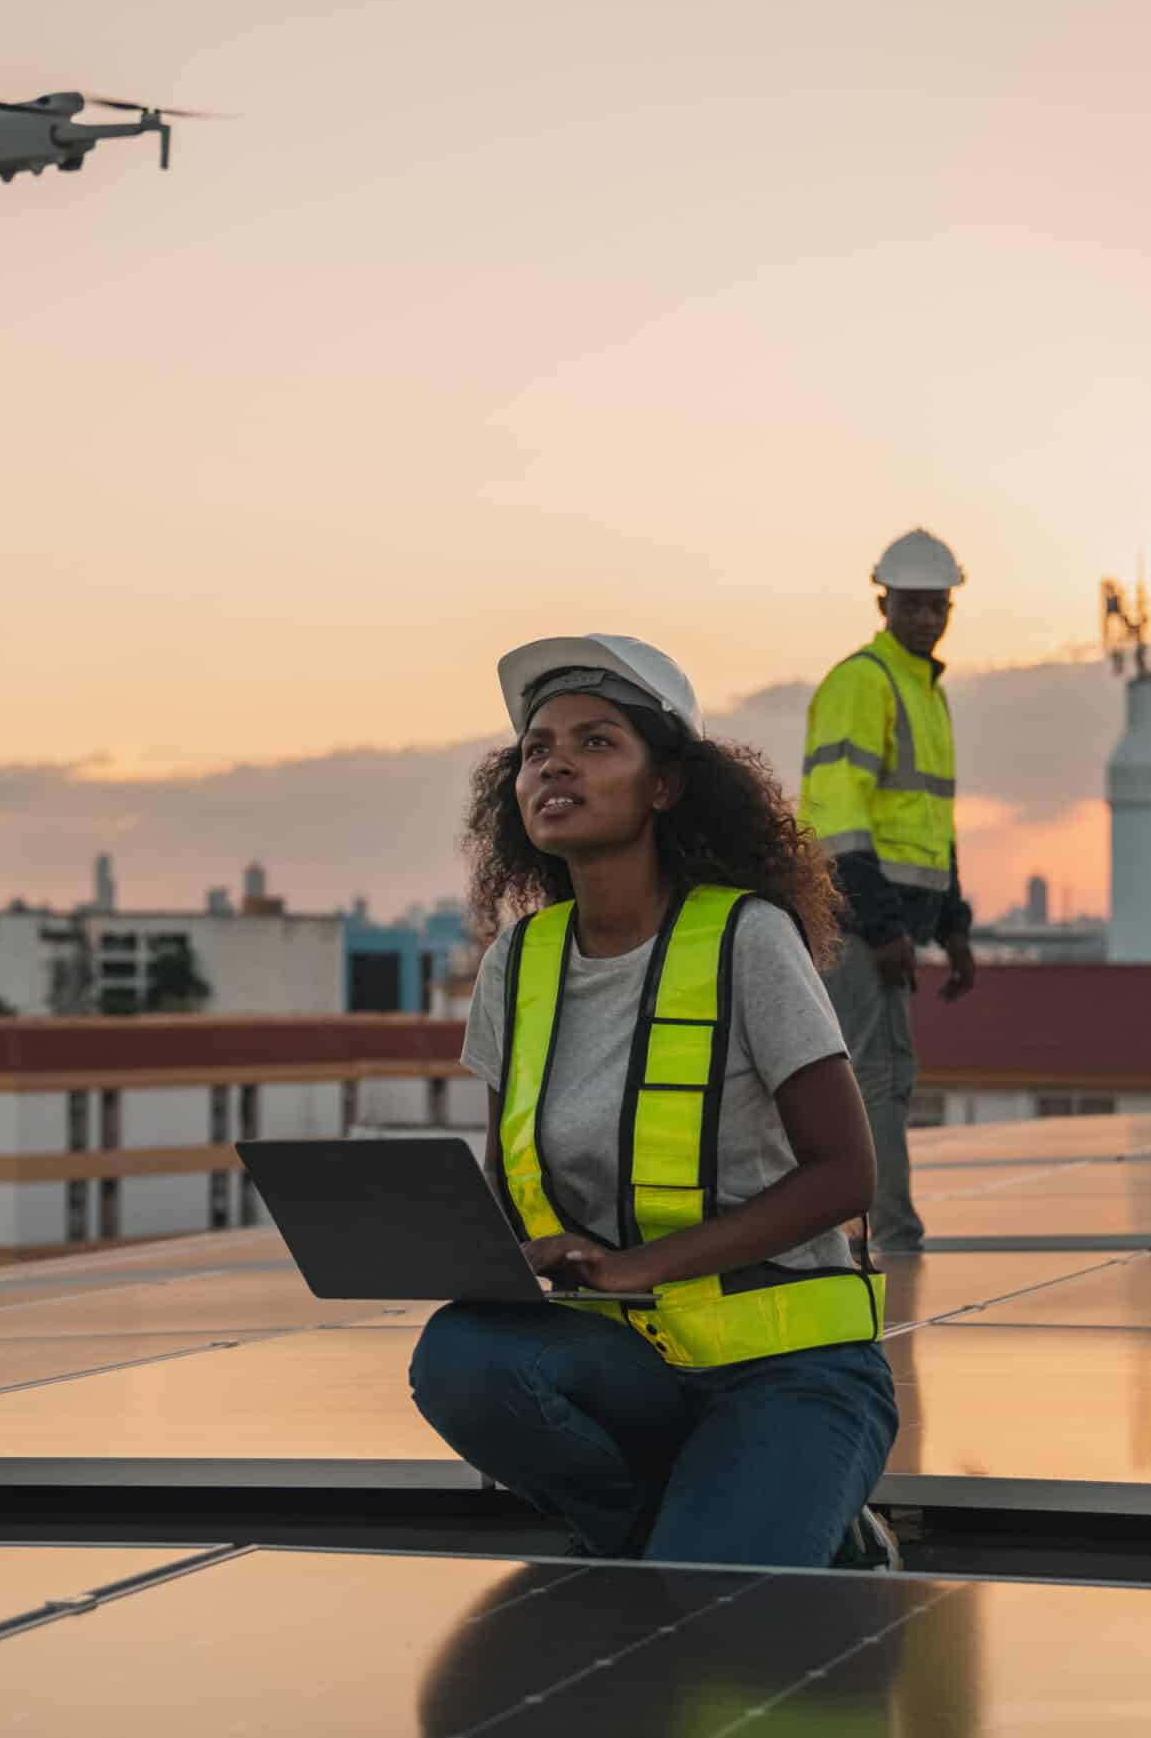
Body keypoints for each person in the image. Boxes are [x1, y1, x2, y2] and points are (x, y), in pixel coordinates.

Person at [408, 633, 900, 1569]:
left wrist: (644, 1264)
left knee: (704, 1622)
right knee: (462, 1358)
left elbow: (847, 1172)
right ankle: (684, 1522)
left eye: (597, 742)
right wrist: (509, 1256)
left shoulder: (746, 939)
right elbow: (502, 1180)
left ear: (666, 785)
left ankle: (782, 1523)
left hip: (786, 1370)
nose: (554, 760)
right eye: (536, 747)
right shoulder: (518, 963)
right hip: (626, 1365)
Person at [799, 529, 977, 1254]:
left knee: (890, 1075)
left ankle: (880, 1229)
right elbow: (837, 820)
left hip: (893, 919)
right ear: (884, 602)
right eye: (914, 604)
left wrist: (955, 925)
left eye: (939, 605)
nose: (928, 617)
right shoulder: (862, 682)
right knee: (870, 1078)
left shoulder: (925, 692)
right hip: (860, 917)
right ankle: (881, 1234)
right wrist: (882, 925)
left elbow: (932, 822)